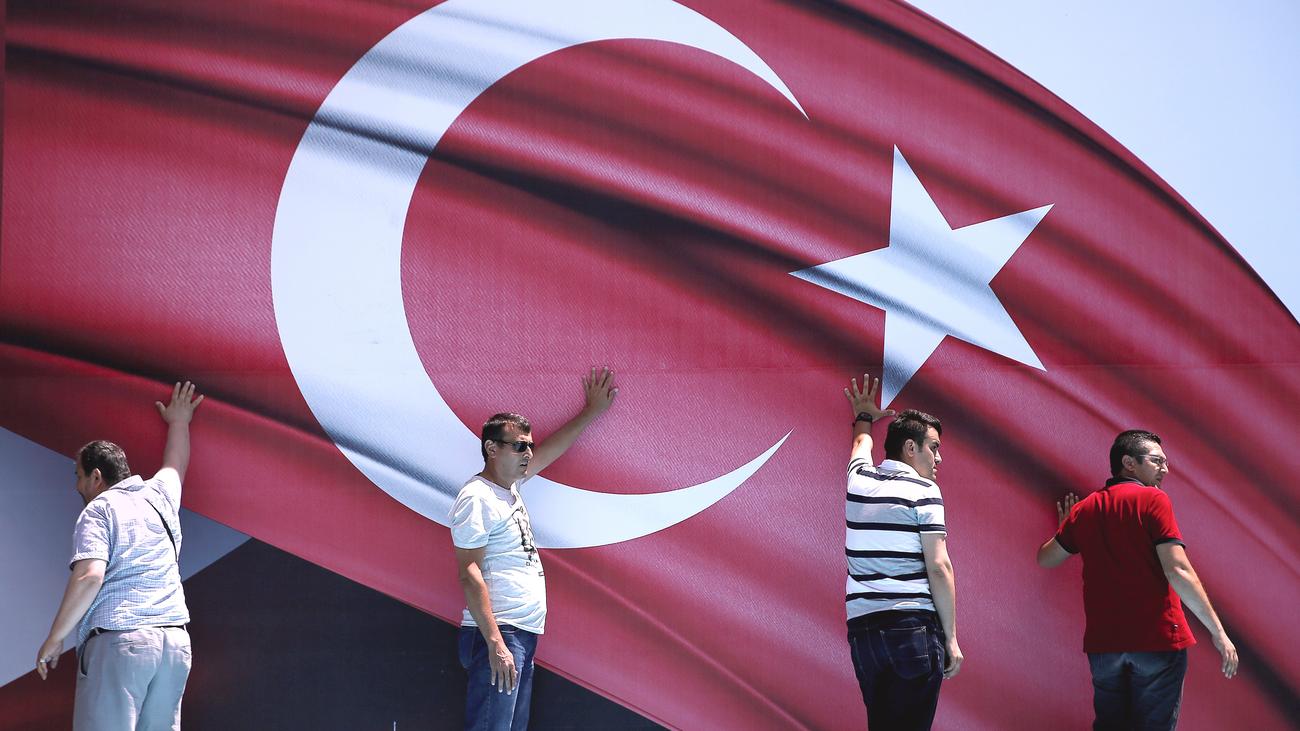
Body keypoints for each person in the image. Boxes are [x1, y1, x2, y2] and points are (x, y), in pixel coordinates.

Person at [450, 367, 618, 731]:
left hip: (520, 633)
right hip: (500, 633)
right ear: (492, 449)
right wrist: (495, 642)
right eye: (519, 446)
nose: (528, 452)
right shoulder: (478, 497)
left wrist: (591, 412)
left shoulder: (509, 487)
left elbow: (551, 450)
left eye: (529, 445)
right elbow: (469, 572)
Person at [1037, 429, 1239, 730]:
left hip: (1104, 646)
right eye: (1157, 461)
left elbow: (1046, 559)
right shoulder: (1153, 500)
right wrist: (1218, 632)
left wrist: (1067, 527)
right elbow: (1178, 570)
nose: (1165, 469)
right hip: (1156, 641)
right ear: (1129, 462)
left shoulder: (1085, 509)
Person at [36, 381, 205, 731]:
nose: (76, 486)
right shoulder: (159, 495)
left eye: (79, 476)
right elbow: (176, 464)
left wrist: (55, 638)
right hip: (174, 645)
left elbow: (90, 576)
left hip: (121, 640)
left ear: (96, 477)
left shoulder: (99, 510)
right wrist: (179, 421)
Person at [841, 374, 962, 730]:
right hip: (912, 629)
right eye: (933, 447)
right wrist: (951, 638)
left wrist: (864, 415)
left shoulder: (858, 480)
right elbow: (939, 566)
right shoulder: (925, 491)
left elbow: (860, 445)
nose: (939, 457)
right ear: (911, 447)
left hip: (863, 633)